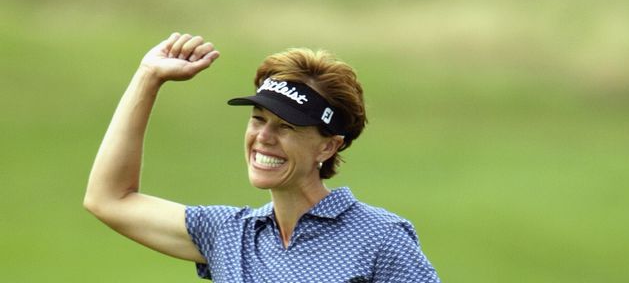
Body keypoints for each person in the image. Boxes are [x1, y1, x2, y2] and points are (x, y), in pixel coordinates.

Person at [84, 32, 440, 282]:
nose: (264, 138)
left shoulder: (378, 238)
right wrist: (148, 77)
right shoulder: (228, 236)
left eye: (286, 127)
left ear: (328, 146)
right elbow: (109, 198)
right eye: (258, 120)